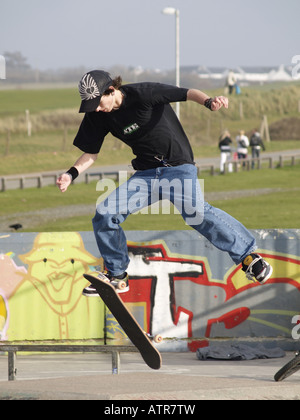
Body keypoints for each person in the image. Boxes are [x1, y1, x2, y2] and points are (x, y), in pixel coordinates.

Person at [56, 70, 273, 296]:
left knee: (196, 214)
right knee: (106, 213)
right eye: (93, 107)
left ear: (111, 90)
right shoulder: (97, 115)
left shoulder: (144, 93)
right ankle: (117, 275)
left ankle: (248, 257)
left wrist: (209, 101)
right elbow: (91, 152)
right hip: (146, 175)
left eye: (99, 103)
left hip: (178, 167)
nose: (98, 109)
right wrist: (71, 174)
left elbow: (186, 93)